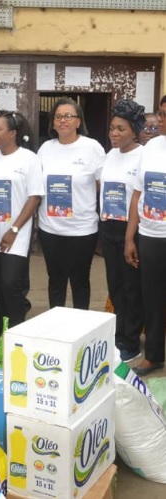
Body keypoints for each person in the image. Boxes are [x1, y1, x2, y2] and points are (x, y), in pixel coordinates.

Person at [0, 111, 43, 328]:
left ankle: (15, 329)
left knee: (10, 283)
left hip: (15, 232)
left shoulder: (29, 159)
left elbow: (34, 197)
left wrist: (14, 229)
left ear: (12, 133)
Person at [37, 97, 106, 310]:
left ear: (78, 121)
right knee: (55, 280)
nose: (62, 121)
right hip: (50, 228)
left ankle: (80, 328)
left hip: (82, 229)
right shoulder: (45, 149)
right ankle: (56, 325)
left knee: (80, 281)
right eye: (58, 117)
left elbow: (101, 185)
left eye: (68, 116)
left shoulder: (92, 148)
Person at [100, 99, 145, 362]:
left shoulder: (143, 156)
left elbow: (140, 198)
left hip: (133, 231)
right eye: (112, 128)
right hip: (109, 228)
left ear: (134, 130)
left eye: (121, 129)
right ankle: (118, 336)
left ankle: (131, 341)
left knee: (132, 288)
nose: (114, 134)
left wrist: (131, 237)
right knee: (115, 285)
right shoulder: (109, 155)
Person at [125, 95, 166, 376]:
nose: (160, 120)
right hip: (150, 234)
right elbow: (138, 193)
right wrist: (130, 237)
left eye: (165, 115)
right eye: (161, 114)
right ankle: (153, 355)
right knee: (152, 298)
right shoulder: (152, 147)